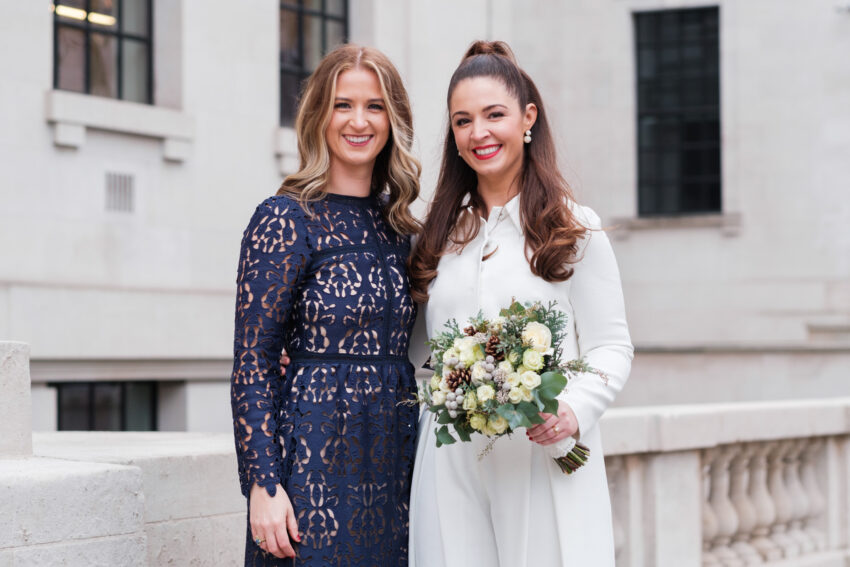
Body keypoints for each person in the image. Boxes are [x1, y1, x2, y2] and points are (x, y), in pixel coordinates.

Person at [407, 41, 634, 566]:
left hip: (543, 459)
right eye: (462, 121)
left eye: (494, 115)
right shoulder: (438, 238)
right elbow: (414, 351)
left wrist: (573, 412)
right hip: (451, 464)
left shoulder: (575, 230)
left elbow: (612, 347)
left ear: (528, 117)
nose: (478, 133)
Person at [230, 44, 421, 566]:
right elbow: (254, 359)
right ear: (319, 115)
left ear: (393, 119)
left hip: (394, 465)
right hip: (310, 466)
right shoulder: (285, 218)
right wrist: (263, 485)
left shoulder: (403, 229)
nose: (358, 121)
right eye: (343, 105)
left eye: (375, 106)